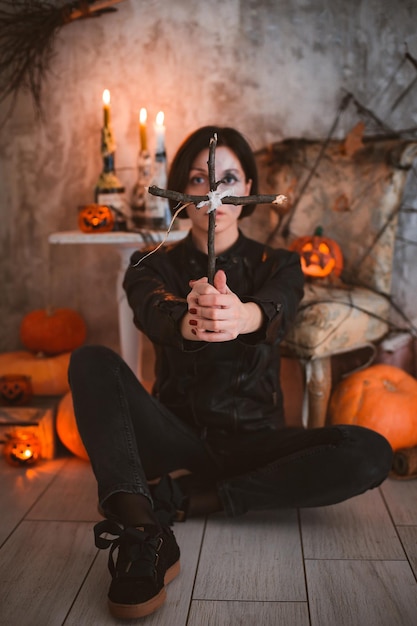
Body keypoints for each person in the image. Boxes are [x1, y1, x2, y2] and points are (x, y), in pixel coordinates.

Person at [68, 126, 393, 620]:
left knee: (370, 452)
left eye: (228, 178)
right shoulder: (148, 264)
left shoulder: (281, 263)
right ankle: (142, 531)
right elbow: (153, 309)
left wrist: (242, 317)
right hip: (173, 437)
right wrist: (190, 318)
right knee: (90, 360)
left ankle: (190, 500)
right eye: (199, 179)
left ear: (247, 190)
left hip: (256, 443)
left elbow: (278, 305)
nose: (213, 192)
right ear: (181, 191)